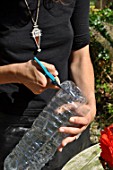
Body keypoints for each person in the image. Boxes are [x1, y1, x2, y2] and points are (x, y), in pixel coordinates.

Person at [0, 0, 96, 169]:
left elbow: (80, 54)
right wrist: (15, 73)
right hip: (9, 129)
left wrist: (90, 107)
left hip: (65, 125)